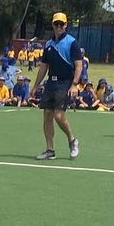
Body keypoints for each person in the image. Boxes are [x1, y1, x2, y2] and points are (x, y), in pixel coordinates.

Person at [30, 13, 81, 160]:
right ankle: (50, 150)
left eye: (61, 24)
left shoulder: (72, 43)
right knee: (47, 115)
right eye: (56, 24)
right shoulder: (48, 44)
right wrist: (35, 86)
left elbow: (79, 65)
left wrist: (74, 85)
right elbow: (43, 67)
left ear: (66, 25)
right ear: (52, 25)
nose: (58, 27)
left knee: (59, 115)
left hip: (65, 83)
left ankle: (72, 140)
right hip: (50, 83)